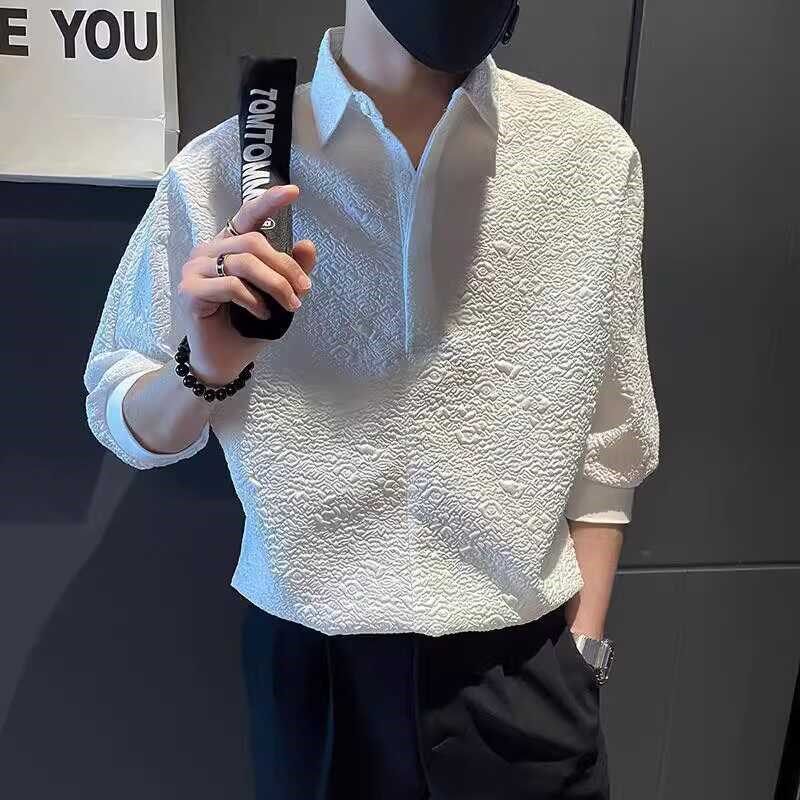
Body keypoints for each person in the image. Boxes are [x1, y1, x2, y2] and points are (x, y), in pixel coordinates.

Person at [83, 0, 660, 797]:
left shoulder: (590, 160)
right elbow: (116, 406)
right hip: (315, 673)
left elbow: (611, 438)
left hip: (525, 669)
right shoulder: (224, 166)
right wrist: (203, 371)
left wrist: (583, 653)